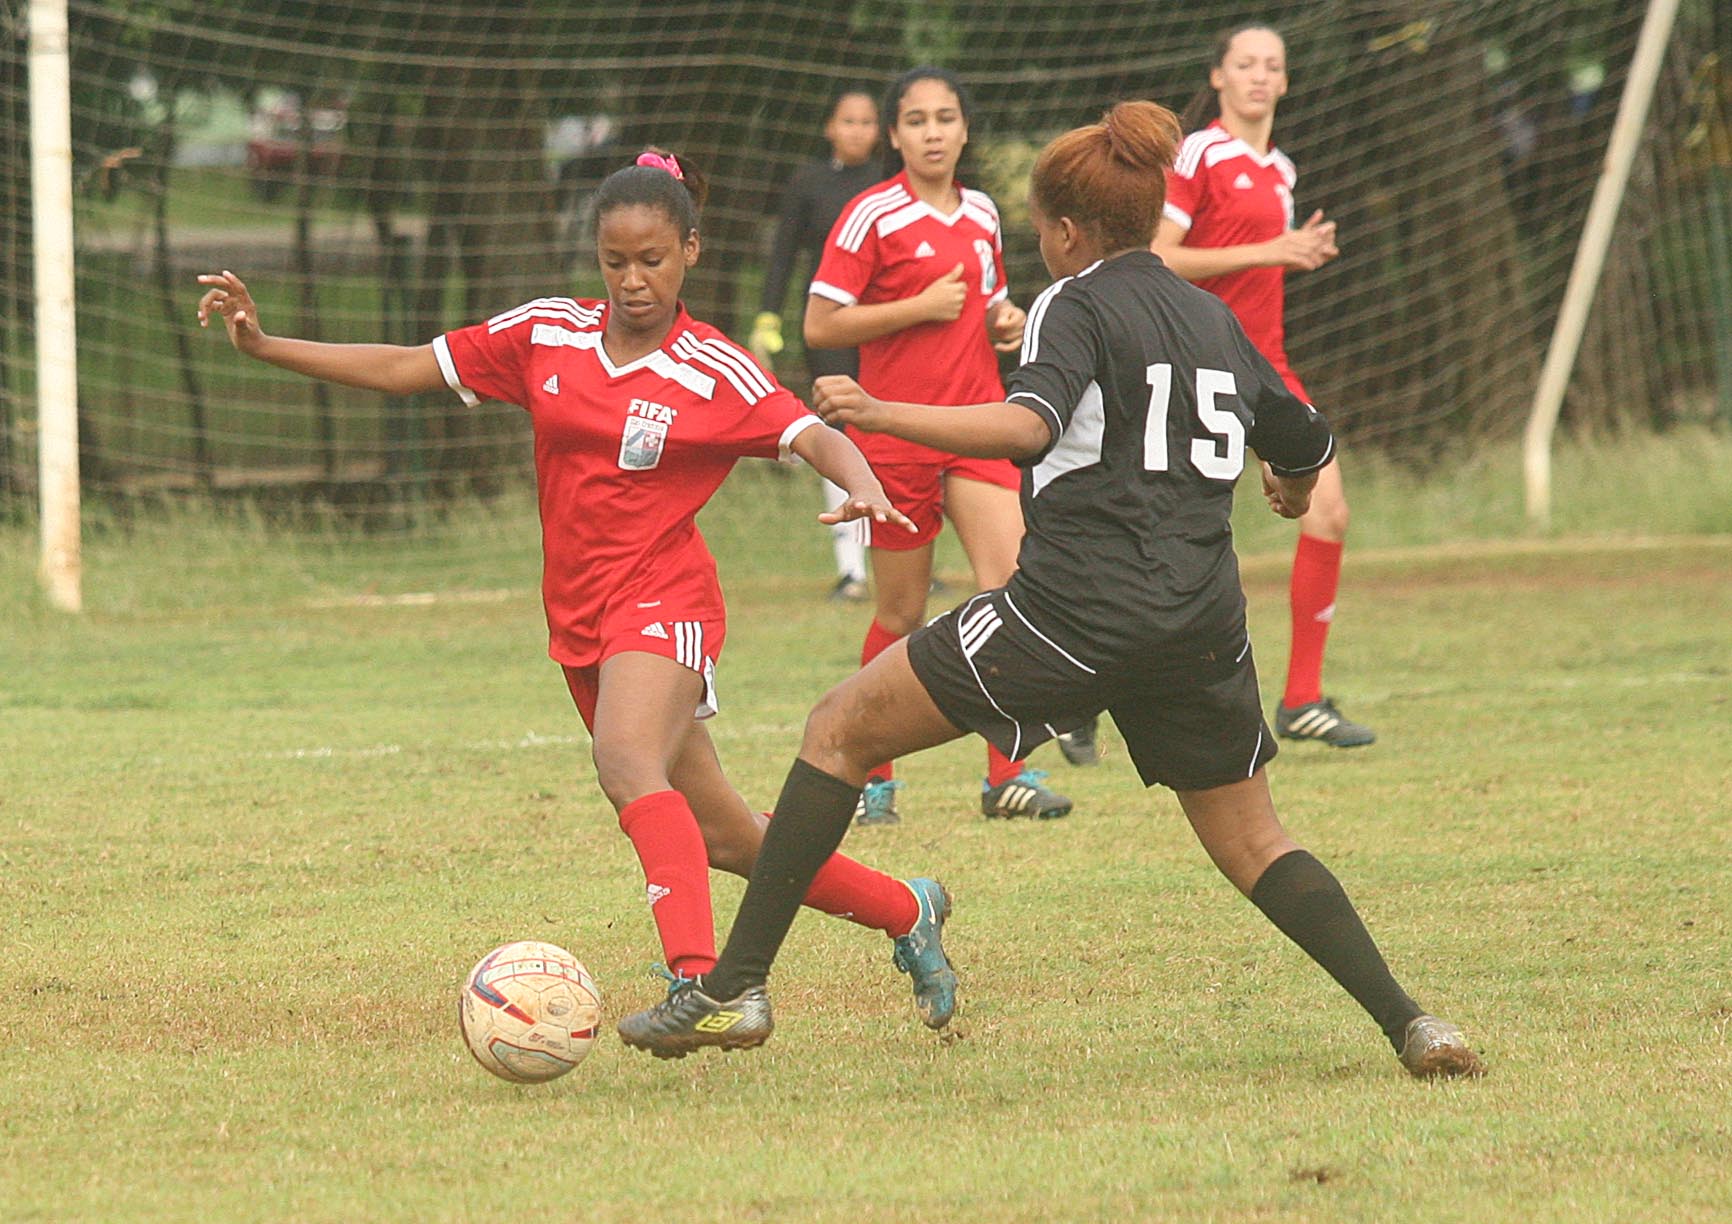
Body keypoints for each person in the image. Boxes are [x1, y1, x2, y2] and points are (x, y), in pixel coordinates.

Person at [617, 103, 1482, 1080]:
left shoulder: (1073, 303)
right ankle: (1412, 1023)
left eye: (1040, 232)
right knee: (1251, 840)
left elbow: (1029, 427)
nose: (1039, 247)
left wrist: (879, 410)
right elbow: (1301, 436)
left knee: (836, 731)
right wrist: (1284, 481)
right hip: (1198, 617)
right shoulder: (1212, 317)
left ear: (1068, 232)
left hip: (1075, 607)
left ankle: (733, 988)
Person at [194, 147, 959, 1032]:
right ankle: (910, 909)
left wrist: (861, 479)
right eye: (616, 262)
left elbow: (805, 432)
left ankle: (707, 987)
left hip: (666, 602)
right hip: (581, 618)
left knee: (625, 762)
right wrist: (265, 344)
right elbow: (409, 366)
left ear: (691, 255)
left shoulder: (714, 367)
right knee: (727, 838)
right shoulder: (545, 334)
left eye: (654, 261)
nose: (634, 281)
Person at [802, 65, 1072, 825]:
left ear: (963, 129)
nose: (932, 132)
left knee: (1011, 588)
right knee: (901, 612)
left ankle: (1007, 773)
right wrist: (915, 307)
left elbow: (985, 303)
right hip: (895, 433)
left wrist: (1006, 320)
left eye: (945, 118)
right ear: (894, 135)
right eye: (916, 120)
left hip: (979, 425)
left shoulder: (983, 212)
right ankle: (871, 775)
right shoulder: (870, 216)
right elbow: (821, 325)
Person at [1150, 23, 1374, 749]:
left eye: (1271, 65)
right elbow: (1158, 259)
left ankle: (1302, 698)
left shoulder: (1280, 168)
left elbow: (1255, 269)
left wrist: (1294, 250)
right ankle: (1090, 697)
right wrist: (1274, 247)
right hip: (1194, 362)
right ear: (1218, 76)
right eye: (1244, 63)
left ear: (1284, 82)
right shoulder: (1197, 153)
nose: (1258, 76)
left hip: (1264, 364)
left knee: (1328, 511)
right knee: (1159, 535)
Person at [749, 87, 883, 604]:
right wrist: (767, 320)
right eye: (848, 121)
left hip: (883, 330)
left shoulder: (888, 185)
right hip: (827, 330)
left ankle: (901, 553)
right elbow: (782, 255)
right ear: (830, 126)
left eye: (867, 121)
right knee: (839, 432)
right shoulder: (808, 182)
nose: (857, 131)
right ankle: (852, 569)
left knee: (892, 434)